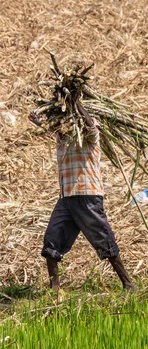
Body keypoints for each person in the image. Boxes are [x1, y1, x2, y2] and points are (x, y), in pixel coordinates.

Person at [29, 104, 136, 293]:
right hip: (67, 198)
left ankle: (128, 284)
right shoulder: (61, 136)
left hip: (87, 195)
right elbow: (49, 127)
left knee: (103, 239)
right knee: (52, 239)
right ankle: (55, 289)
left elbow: (90, 126)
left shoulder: (89, 137)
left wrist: (76, 104)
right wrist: (38, 119)